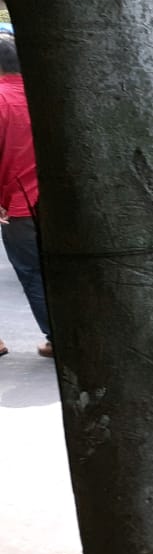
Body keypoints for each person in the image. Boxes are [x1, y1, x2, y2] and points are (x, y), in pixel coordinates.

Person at [0, 35, 51, 359]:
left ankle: (60, 337)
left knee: (33, 273)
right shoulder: (44, 94)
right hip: (54, 202)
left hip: (18, 205)